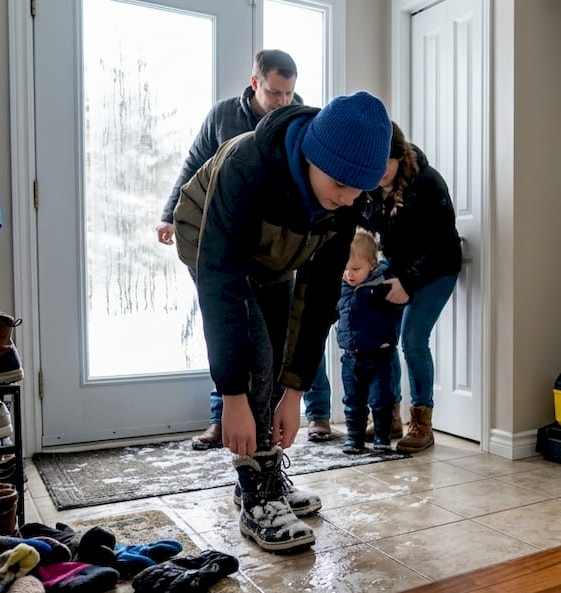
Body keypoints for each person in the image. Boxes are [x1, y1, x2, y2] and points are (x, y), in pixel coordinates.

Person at [171, 91, 392, 552]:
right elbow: (221, 285)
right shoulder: (248, 164)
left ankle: (267, 473)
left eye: (359, 190)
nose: (348, 198)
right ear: (315, 154)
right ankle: (256, 495)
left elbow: (319, 297)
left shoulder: (344, 194)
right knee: (256, 355)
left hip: (273, 255)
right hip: (211, 242)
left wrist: (294, 391)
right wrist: (232, 395)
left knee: (275, 354)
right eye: (340, 184)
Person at [156, 49, 304, 452]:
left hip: (272, 252)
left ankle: (264, 446)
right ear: (255, 83)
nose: (282, 101)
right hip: (225, 243)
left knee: (270, 349)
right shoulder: (223, 116)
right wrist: (170, 214)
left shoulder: (298, 120)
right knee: (232, 330)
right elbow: (193, 166)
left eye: (289, 93)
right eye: (275, 92)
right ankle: (223, 420)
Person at [302, 123, 460, 453]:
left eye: (387, 163)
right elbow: (345, 231)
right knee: (385, 339)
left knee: (413, 339)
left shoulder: (427, 183)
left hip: (436, 268)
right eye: (376, 164)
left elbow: (443, 245)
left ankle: (422, 423)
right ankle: (391, 418)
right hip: (399, 268)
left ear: (400, 157)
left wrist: (408, 283)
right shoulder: (367, 186)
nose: (380, 172)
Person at [334, 229, 405, 454]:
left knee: (381, 399)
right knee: (353, 400)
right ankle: (354, 437)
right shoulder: (342, 289)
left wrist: (389, 338)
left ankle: (382, 436)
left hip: (379, 356)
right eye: (345, 268)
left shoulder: (383, 285)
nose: (349, 274)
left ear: (372, 265)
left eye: (355, 269)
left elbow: (398, 308)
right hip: (351, 357)